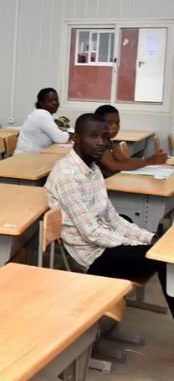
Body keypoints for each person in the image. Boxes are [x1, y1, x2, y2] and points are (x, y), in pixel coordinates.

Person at [45, 114, 174, 318]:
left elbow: (112, 218)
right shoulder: (67, 175)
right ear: (76, 138)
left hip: (104, 245)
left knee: (149, 240)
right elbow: (91, 233)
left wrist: (150, 238)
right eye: (93, 136)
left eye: (105, 137)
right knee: (164, 260)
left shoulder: (93, 168)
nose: (100, 142)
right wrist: (139, 245)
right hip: (93, 257)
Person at [94, 104, 167, 177]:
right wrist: (149, 161)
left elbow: (124, 159)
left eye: (117, 123)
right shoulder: (96, 142)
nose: (115, 126)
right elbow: (113, 166)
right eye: (110, 123)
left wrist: (152, 158)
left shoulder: (108, 141)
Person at [15, 87, 69, 154]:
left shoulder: (43, 114)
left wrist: (63, 133)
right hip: (24, 157)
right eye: (50, 101)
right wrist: (69, 134)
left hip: (33, 156)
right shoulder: (42, 115)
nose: (55, 103)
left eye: (56, 100)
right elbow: (60, 139)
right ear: (41, 103)